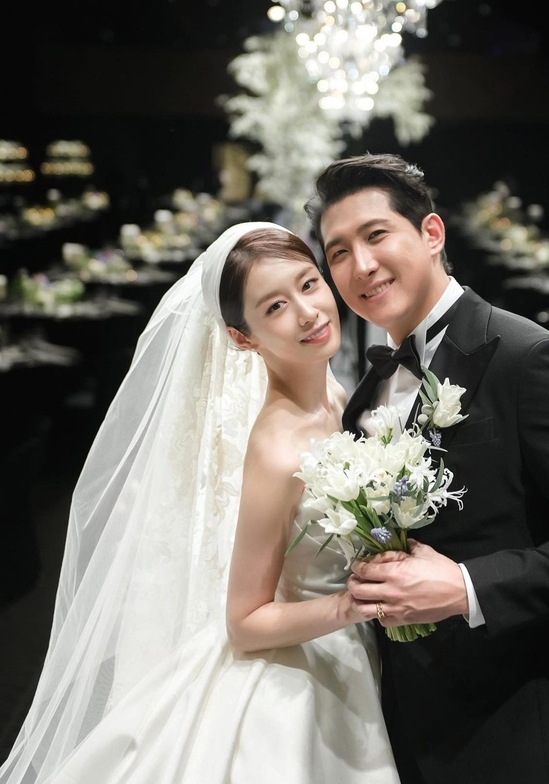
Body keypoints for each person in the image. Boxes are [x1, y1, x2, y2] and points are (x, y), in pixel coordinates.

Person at [0, 221, 400, 784]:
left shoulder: (338, 395)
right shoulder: (277, 449)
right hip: (301, 670)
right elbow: (244, 622)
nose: (309, 313)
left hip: (348, 649)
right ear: (243, 338)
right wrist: (354, 606)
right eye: (275, 307)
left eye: (309, 284)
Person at [305, 153, 549, 784]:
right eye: (338, 253)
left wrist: (467, 587)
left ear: (432, 233)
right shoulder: (366, 394)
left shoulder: (529, 358)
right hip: (408, 723)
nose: (361, 265)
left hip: (518, 727)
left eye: (376, 235)